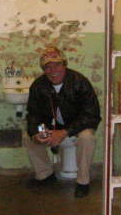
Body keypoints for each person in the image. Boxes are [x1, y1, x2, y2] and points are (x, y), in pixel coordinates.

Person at [25, 46, 101, 198]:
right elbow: (34, 115)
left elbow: (92, 115)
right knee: (27, 137)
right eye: (48, 67)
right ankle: (45, 175)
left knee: (87, 138)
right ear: (44, 69)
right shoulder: (38, 86)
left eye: (57, 65)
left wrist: (65, 132)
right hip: (51, 128)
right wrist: (38, 132)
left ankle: (83, 182)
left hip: (77, 128)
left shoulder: (79, 82)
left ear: (64, 65)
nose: (53, 70)